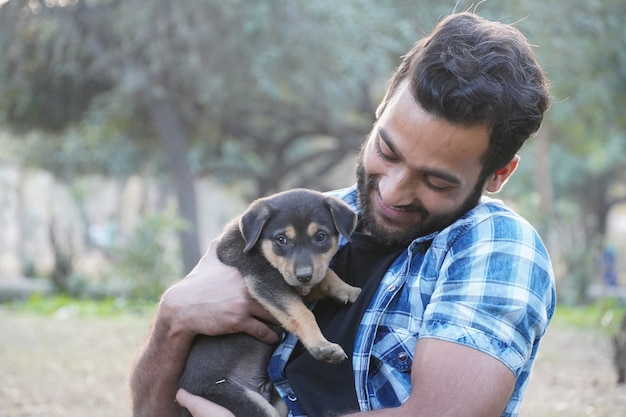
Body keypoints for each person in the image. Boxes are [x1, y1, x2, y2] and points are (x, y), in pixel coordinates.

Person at [130, 11, 556, 417]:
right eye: (387, 151)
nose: (392, 191)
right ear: (383, 106)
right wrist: (173, 319)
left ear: (498, 175)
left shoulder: (496, 247)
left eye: (436, 181)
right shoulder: (306, 217)